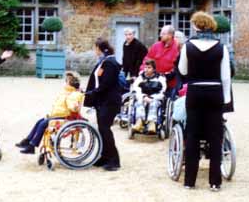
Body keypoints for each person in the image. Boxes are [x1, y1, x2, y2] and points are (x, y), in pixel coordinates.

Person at [178, 11, 232, 192]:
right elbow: (226, 77)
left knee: (192, 134)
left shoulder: (187, 46)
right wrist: (226, 100)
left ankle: (190, 181)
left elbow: (183, 70)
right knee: (215, 137)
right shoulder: (221, 47)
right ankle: (215, 182)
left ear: (196, 26)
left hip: (195, 91)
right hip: (215, 92)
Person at [16, 72, 84, 154]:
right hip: (58, 115)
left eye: (66, 81)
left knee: (42, 124)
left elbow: (72, 107)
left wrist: (75, 106)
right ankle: (28, 140)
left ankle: (32, 146)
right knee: (40, 121)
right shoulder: (67, 92)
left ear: (70, 83)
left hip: (64, 117)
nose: (64, 83)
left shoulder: (73, 94)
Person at [84, 38, 121, 171]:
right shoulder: (104, 62)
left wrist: (92, 93)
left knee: (105, 129)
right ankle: (105, 156)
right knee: (102, 129)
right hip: (103, 101)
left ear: (100, 48)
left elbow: (106, 84)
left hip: (110, 101)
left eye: (95, 48)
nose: (95, 51)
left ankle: (114, 160)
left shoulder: (110, 63)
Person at [130, 59, 166, 134]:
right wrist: (143, 97)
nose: (146, 69)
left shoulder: (160, 78)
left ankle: (152, 123)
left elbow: (162, 92)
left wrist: (152, 98)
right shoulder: (140, 78)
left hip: (155, 97)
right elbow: (136, 90)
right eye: (145, 67)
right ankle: (139, 122)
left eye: (149, 67)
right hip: (143, 97)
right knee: (139, 102)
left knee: (154, 103)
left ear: (154, 69)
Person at [141, 25, 179, 93]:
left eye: (163, 33)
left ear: (170, 35)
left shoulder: (177, 48)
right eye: (161, 33)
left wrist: (171, 73)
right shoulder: (156, 46)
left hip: (171, 84)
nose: (160, 35)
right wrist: (142, 70)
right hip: (155, 82)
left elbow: (179, 65)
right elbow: (147, 59)